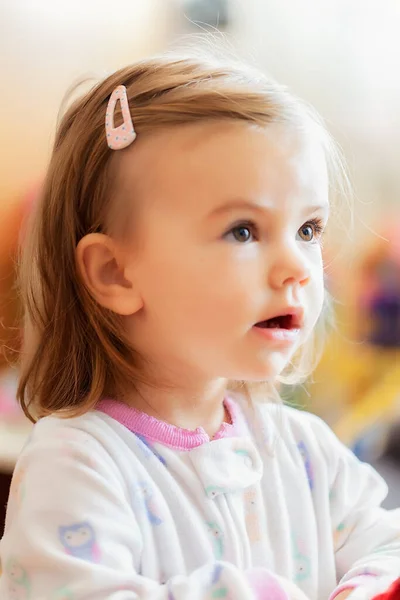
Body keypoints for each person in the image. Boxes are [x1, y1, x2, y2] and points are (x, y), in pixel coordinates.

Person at [0, 51, 399, 600]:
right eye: (243, 231)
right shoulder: (76, 464)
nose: (298, 269)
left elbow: (387, 543)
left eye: (308, 229)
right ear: (116, 272)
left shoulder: (303, 449)